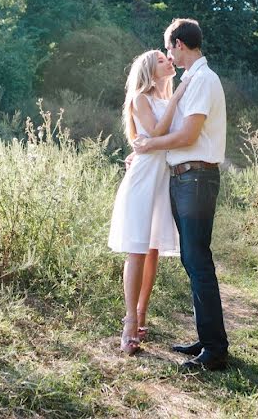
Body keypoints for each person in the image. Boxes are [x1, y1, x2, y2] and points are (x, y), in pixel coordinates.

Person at [133, 18, 229, 371]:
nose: (169, 55)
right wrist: (146, 149)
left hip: (197, 178)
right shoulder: (190, 80)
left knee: (197, 259)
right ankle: (207, 339)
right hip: (185, 178)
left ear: (178, 44)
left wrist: (150, 144)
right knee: (193, 259)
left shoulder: (203, 79)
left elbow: (188, 136)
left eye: (169, 47)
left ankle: (215, 350)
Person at [108, 49, 189, 355]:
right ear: (148, 70)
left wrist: (175, 98)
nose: (169, 60)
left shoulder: (169, 100)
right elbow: (155, 132)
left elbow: (174, 137)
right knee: (138, 249)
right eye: (161, 59)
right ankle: (129, 322)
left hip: (162, 180)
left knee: (153, 250)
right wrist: (179, 95)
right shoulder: (140, 97)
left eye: (169, 57)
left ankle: (143, 314)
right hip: (143, 181)